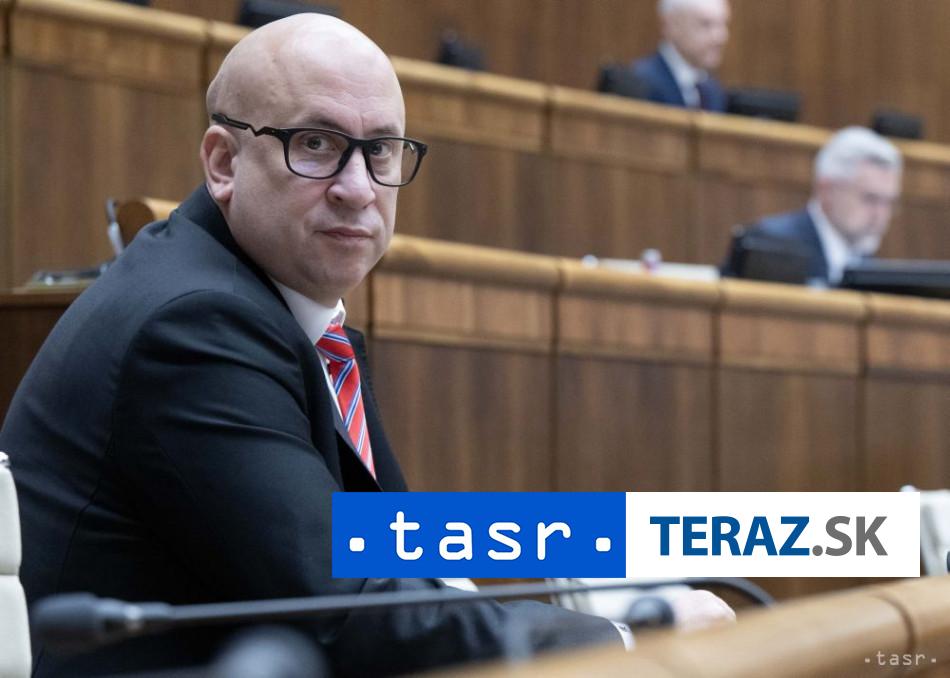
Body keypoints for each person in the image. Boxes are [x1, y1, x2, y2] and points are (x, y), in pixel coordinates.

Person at [0, 14, 732, 677]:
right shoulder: (194, 327)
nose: (357, 188)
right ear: (224, 163)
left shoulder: (266, 303)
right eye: (316, 144)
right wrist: (628, 641)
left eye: (380, 150)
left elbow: (382, 556)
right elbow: (350, 608)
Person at [721, 127, 902, 286]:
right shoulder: (769, 244)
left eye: (888, 202)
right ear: (826, 190)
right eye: (870, 199)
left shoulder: (872, 268)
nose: (880, 215)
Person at [631, 0, 731, 111]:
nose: (720, 37)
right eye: (705, 24)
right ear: (671, 25)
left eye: (723, 24)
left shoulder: (714, 91)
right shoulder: (641, 84)